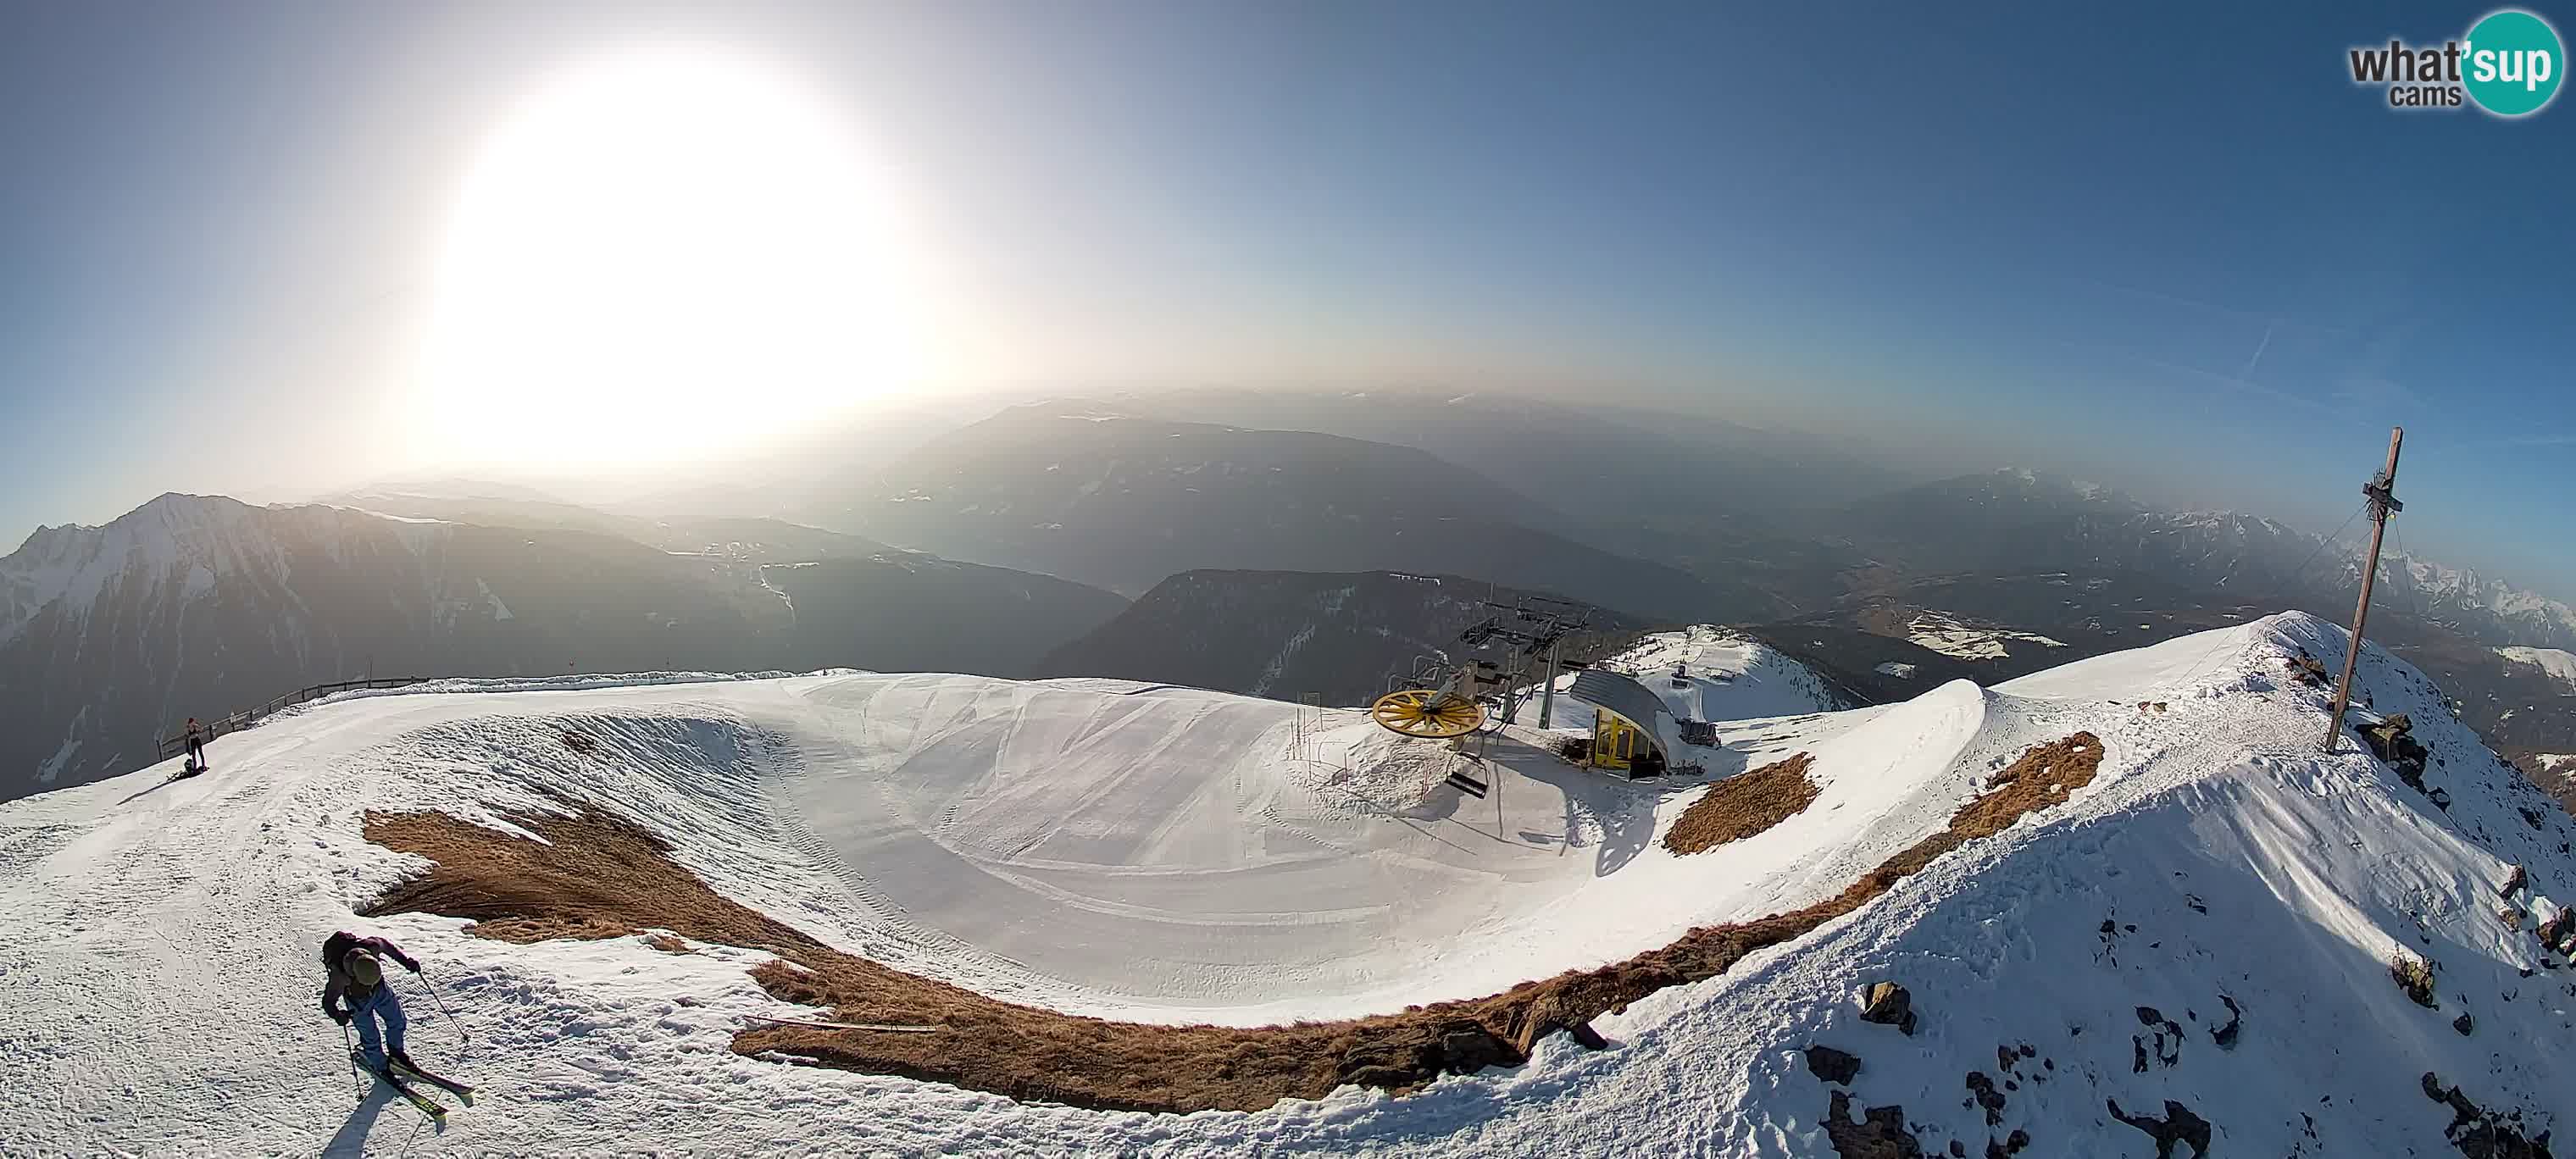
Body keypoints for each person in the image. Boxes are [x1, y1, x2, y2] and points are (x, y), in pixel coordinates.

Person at [321, 932, 423, 1073]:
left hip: (380, 988)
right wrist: (337, 1014)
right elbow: (328, 1002)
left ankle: (396, 1053)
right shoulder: (340, 976)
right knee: (371, 1037)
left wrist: (406, 961)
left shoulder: (372, 946)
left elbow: (387, 946)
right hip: (357, 1001)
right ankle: (381, 1067)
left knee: (397, 1021)